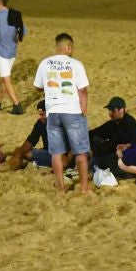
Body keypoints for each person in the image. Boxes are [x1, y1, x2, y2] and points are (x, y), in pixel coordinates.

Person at [33, 33, 91, 193]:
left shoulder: (45, 63)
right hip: (72, 110)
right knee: (80, 151)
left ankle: (61, 188)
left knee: (56, 152)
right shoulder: (76, 64)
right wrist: (83, 110)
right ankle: (84, 187)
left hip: (53, 111)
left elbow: (37, 87)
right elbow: (83, 90)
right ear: (68, 47)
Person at [0, 0, 26, 114]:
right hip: (12, 52)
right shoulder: (15, 15)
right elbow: (23, 32)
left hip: (2, 53)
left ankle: (16, 105)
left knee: (6, 79)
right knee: (4, 78)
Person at [8, 100, 70, 170]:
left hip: (62, 156)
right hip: (48, 153)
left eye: (42, 114)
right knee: (20, 150)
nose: (41, 117)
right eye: (40, 114)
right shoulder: (40, 123)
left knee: (63, 160)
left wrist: (68, 161)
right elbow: (30, 141)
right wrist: (19, 155)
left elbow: (74, 146)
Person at [90, 96, 136, 177]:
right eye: (109, 110)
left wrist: (96, 152)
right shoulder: (114, 123)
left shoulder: (129, 123)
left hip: (127, 159)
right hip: (114, 155)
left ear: (121, 110)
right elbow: (97, 132)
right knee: (94, 139)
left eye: (113, 111)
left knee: (95, 162)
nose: (110, 113)